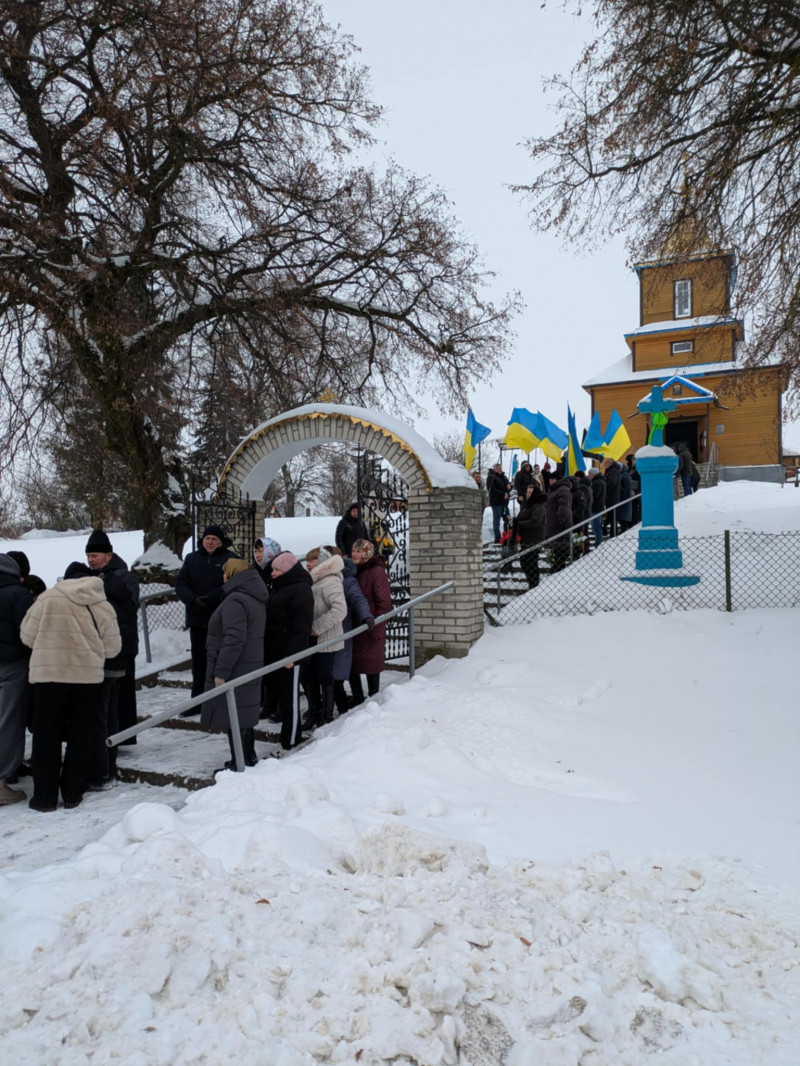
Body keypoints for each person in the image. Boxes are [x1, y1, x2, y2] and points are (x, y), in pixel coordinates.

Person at [21, 562, 120, 812]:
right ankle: (73, 792)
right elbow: (112, 648)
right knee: (81, 736)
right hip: (86, 680)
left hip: (48, 677)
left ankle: (44, 798)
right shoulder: (101, 604)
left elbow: (27, 636)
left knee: (45, 738)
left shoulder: (46, 599)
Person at [84, 529, 140, 789]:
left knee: (119, 698)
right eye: (88, 556)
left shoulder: (123, 576)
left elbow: (129, 603)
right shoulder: (93, 576)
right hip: (101, 647)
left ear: (109, 554)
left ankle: (119, 742)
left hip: (121, 646)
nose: (91, 560)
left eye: (95, 555)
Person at [202, 558, 267, 771]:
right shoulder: (252, 596)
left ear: (233, 575)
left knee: (235, 715)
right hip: (248, 663)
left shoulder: (235, 600)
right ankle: (246, 757)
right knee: (243, 714)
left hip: (236, 666)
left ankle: (240, 762)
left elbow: (233, 639)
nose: (222, 577)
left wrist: (220, 671)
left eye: (225, 573)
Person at [176, 525, 238, 702]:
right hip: (197, 618)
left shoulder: (230, 558)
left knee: (220, 660)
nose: (210, 542)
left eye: (214, 539)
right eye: (207, 539)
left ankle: (221, 699)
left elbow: (232, 583)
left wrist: (210, 597)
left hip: (220, 618)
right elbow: (180, 583)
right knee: (199, 661)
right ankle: (198, 700)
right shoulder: (191, 558)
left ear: (221, 542)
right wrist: (193, 599)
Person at [263, 551, 314, 751]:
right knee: (282, 698)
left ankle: (291, 739)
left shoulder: (300, 590)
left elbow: (301, 625)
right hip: (275, 650)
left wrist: (293, 655)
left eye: (277, 569)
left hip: (290, 655)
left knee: (290, 698)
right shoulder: (280, 587)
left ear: (287, 571)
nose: (273, 573)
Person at [302, 546, 347, 730]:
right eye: (307, 560)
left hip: (325, 638)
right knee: (309, 676)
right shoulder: (314, 580)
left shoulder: (330, 581)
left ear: (322, 562)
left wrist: (316, 627)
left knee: (324, 676)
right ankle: (314, 712)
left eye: (312, 560)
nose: (308, 564)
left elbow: (340, 610)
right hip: (312, 639)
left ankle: (326, 715)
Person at [0, 554, 33, 805]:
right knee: (9, 721)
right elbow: (27, 632)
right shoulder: (17, 593)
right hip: (13, 664)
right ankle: (2, 780)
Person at [326, 547, 373, 715]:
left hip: (341, 635)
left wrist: (365, 616)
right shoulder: (324, 578)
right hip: (324, 634)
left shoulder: (347, 580)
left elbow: (358, 598)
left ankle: (340, 711)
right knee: (328, 677)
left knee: (336, 678)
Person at [349, 539, 392, 706]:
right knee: (353, 664)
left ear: (367, 553)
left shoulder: (376, 572)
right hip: (355, 626)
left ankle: (374, 698)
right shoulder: (354, 571)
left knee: (371, 664)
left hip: (371, 626)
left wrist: (377, 627)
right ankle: (357, 697)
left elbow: (384, 603)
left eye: (359, 551)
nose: (354, 554)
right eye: (353, 550)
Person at [516, 483, 547, 588]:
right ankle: (532, 584)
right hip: (525, 539)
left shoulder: (538, 505)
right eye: (527, 492)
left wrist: (519, 524)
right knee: (525, 562)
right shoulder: (527, 505)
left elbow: (535, 522)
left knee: (531, 563)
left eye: (531, 492)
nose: (528, 494)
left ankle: (534, 585)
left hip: (534, 539)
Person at [545, 471, 573, 572]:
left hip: (560, 525)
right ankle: (557, 569)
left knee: (561, 550)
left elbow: (563, 507)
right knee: (557, 549)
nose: (550, 481)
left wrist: (563, 520)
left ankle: (558, 569)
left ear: (558, 480)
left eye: (552, 479)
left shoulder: (563, 490)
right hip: (554, 525)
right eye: (550, 479)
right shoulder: (553, 490)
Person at [486, 462, 511, 544]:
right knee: (496, 520)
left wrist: (510, 486)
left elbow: (508, 485)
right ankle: (497, 538)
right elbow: (492, 490)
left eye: (500, 468)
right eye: (498, 468)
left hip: (504, 503)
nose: (499, 470)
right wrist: (503, 494)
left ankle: (506, 536)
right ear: (494, 469)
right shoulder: (491, 477)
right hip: (496, 502)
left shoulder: (504, 477)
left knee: (508, 519)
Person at [602, 456, 621, 536]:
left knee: (612, 516)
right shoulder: (611, 471)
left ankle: (613, 533)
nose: (604, 464)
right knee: (610, 516)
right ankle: (608, 531)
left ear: (610, 463)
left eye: (606, 462)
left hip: (612, 497)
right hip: (611, 497)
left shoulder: (613, 471)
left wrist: (605, 490)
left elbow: (612, 483)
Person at [588, 467, 606, 546]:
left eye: (590, 474)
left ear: (594, 474)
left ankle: (599, 542)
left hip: (596, 507)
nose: (589, 475)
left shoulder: (597, 483)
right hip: (598, 507)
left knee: (596, 526)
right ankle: (598, 541)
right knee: (595, 526)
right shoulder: (600, 481)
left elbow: (595, 495)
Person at [626, 454, 641, 526]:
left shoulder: (637, 469)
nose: (633, 461)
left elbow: (638, 480)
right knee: (633, 507)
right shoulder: (632, 468)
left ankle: (634, 521)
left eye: (634, 460)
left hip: (636, 490)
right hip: (633, 490)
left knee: (635, 507)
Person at [618, 462, 633, 533]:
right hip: (622, 499)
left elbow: (628, 487)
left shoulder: (625, 475)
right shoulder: (622, 474)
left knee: (624, 517)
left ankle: (624, 529)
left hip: (624, 499)